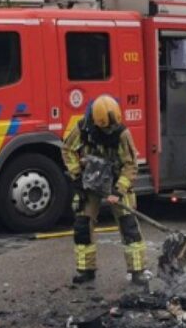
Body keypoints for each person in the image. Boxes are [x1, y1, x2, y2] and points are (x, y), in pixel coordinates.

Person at [62, 95, 148, 285]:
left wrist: (119, 190)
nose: (111, 131)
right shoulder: (83, 128)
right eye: (107, 128)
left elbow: (130, 164)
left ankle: (137, 271)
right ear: (97, 122)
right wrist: (76, 176)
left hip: (116, 182)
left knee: (129, 226)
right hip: (90, 182)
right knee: (83, 225)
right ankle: (86, 270)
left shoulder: (122, 133)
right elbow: (67, 149)